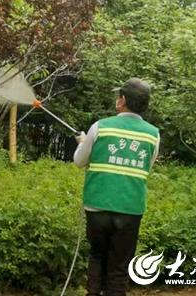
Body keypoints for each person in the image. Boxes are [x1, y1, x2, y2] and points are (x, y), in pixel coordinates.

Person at [73, 78, 160, 296]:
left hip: (97, 205)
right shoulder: (153, 134)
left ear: (122, 100)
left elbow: (79, 161)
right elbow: (145, 168)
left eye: (118, 96)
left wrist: (84, 143)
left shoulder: (100, 126)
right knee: (119, 267)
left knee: (97, 256)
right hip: (130, 209)